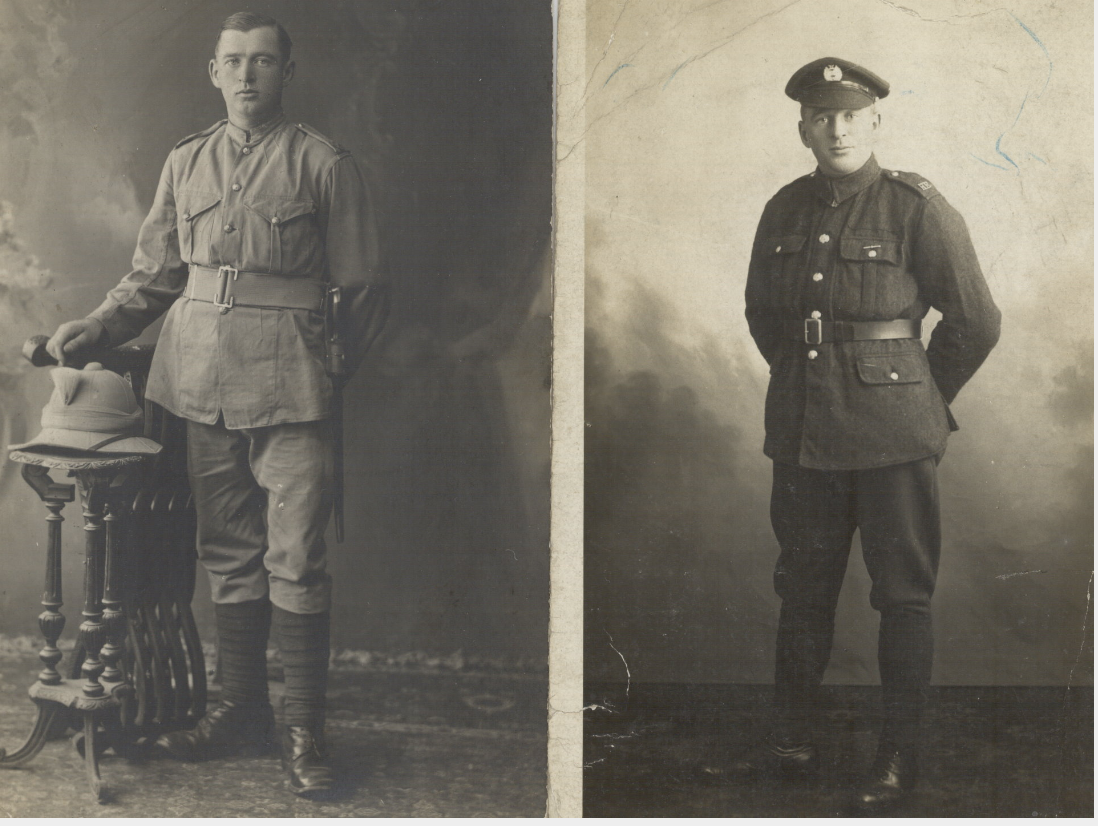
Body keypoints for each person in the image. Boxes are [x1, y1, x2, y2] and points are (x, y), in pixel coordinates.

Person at [46, 12, 389, 799]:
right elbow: (155, 274)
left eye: (262, 61)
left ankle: (303, 729)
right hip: (199, 382)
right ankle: (241, 712)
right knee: (228, 552)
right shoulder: (187, 161)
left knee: (295, 558)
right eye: (233, 61)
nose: (246, 75)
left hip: (293, 385)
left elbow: (365, 289)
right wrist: (99, 326)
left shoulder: (322, 164)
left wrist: (326, 368)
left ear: (286, 71)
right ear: (213, 72)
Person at [739, 57, 1000, 812]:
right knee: (803, 589)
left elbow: (977, 320)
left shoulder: (917, 207)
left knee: (904, 598)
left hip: (895, 441)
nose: (838, 129)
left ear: (876, 123)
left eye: (851, 115)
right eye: (822, 116)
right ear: (803, 129)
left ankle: (897, 756)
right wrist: (811, 379)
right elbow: (763, 314)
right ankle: (791, 741)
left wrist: (918, 400)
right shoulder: (784, 208)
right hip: (805, 434)